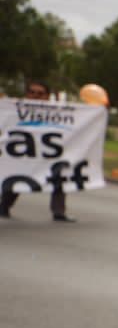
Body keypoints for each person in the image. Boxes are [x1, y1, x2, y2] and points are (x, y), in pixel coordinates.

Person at [1, 81, 74, 223]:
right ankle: (4, 206)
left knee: (58, 176)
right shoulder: (15, 110)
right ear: (26, 94)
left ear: (47, 96)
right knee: (18, 178)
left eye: (40, 94)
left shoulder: (58, 113)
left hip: (49, 153)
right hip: (23, 153)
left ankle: (59, 211)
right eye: (32, 92)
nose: (35, 96)